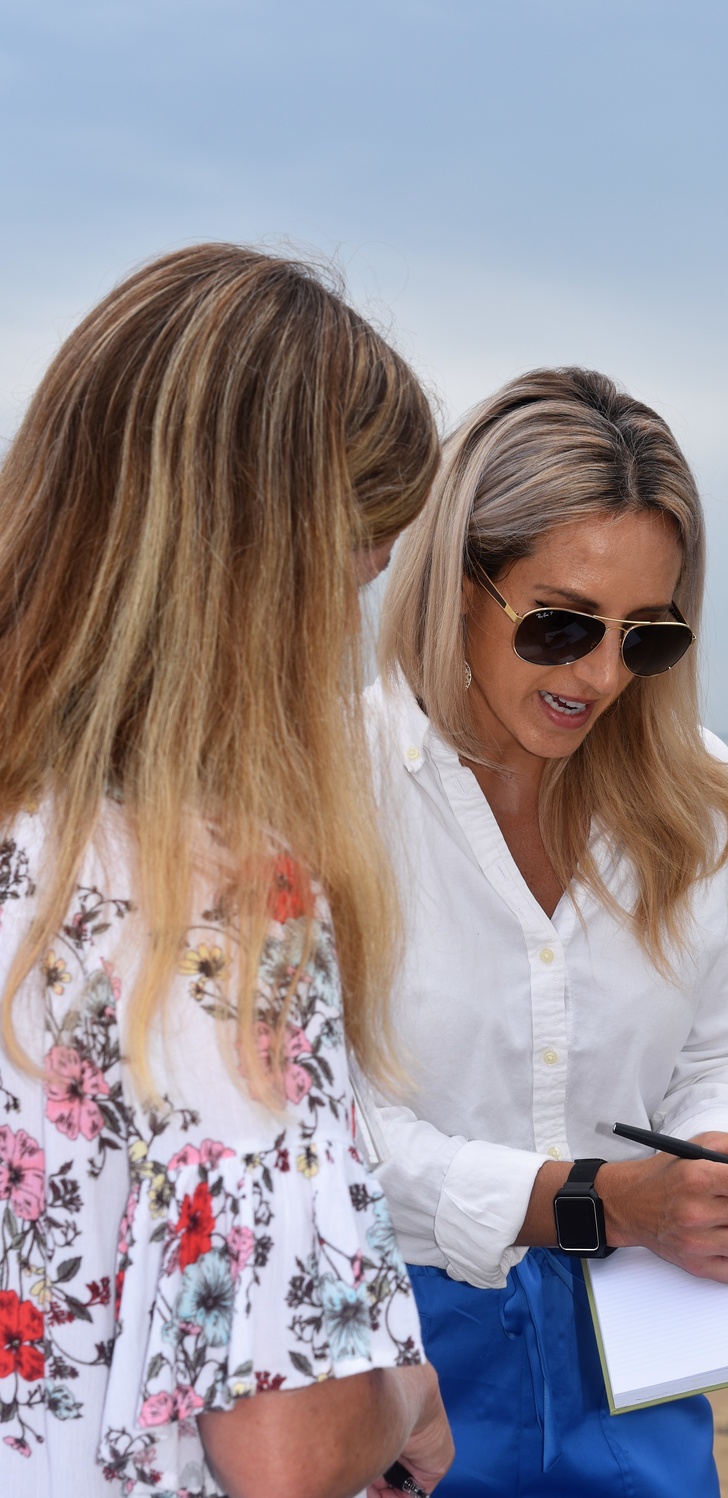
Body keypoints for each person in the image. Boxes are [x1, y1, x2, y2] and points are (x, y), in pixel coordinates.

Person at [0, 244, 454, 1498]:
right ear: (269, 578)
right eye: (356, 572)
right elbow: (288, 1446)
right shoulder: (220, 900)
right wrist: (405, 1393)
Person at [361, 367, 728, 1496]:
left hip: (639, 1341)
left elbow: (722, 1054)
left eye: (645, 638)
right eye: (559, 624)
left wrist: (720, 1157)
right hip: (394, 1356)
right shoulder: (331, 784)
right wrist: (594, 1200)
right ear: (461, 582)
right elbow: (326, 1133)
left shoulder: (701, 794)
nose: (600, 675)